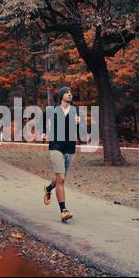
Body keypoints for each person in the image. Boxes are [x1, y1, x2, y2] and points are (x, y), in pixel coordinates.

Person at [42, 87, 83, 222]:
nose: (70, 94)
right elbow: (43, 118)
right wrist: (43, 132)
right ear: (61, 96)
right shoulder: (53, 110)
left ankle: (48, 188)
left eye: (71, 93)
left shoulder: (76, 110)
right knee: (61, 178)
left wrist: (79, 123)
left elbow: (82, 130)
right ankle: (63, 211)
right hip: (56, 145)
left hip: (70, 146)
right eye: (67, 93)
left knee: (61, 177)